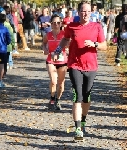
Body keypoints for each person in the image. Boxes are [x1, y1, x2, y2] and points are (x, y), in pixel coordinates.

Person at [52, 1, 107, 140]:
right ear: (78, 12)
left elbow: (104, 46)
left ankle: (83, 121)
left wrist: (94, 44)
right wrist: (58, 50)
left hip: (91, 66)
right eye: (83, 11)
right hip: (75, 65)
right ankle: (77, 129)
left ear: (91, 12)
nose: (86, 14)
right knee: (78, 95)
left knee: (87, 96)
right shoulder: (71, 27)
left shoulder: (97, 27)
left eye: (88, 11)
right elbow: (65, 40)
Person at [43, 14, 68, 110]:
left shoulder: (64, 34)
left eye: (58, 23)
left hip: (62, 61)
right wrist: (45, 49)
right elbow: (44, 43)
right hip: (51, 60)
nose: (56, 25)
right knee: (53, 81)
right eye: (54, 23)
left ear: (61, 24)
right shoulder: (48, 35)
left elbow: (70, 44)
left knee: (61, 83)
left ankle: (58, 100)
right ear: (51, 24)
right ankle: (52, 98)